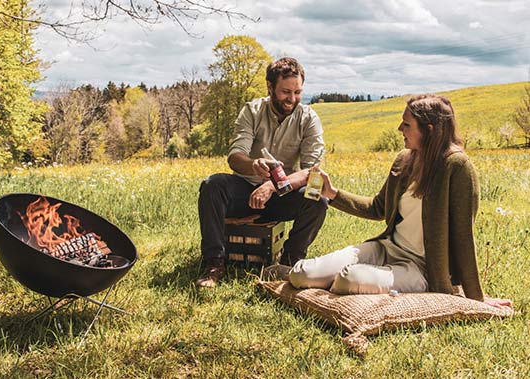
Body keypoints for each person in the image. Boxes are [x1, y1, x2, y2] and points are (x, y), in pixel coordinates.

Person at [287, 94, 511, 308]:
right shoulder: (405, 159)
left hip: (421, 267)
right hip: (386, 248)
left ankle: (361, 280)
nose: (399, 129)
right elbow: (378, 208)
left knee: (347, 279)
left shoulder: (458, 167)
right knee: (301, 274)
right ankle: (286, 271)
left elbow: (464, 236)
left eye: (406, 125)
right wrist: (332, 193)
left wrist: (477, 298)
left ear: (429, 129)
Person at [196, 57, 328, 288]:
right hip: (246, 191)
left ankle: (289, 260)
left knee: (318, 198)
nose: (292, 99)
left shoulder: (308, 118)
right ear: (270, 87)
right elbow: (235, 157)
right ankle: (214, 262)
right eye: (286, 92)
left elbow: (313, 170)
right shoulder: (252, 111)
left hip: (283, 194)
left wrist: (272, 185)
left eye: (297, 92)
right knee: (212, 185)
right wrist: (252, 165)